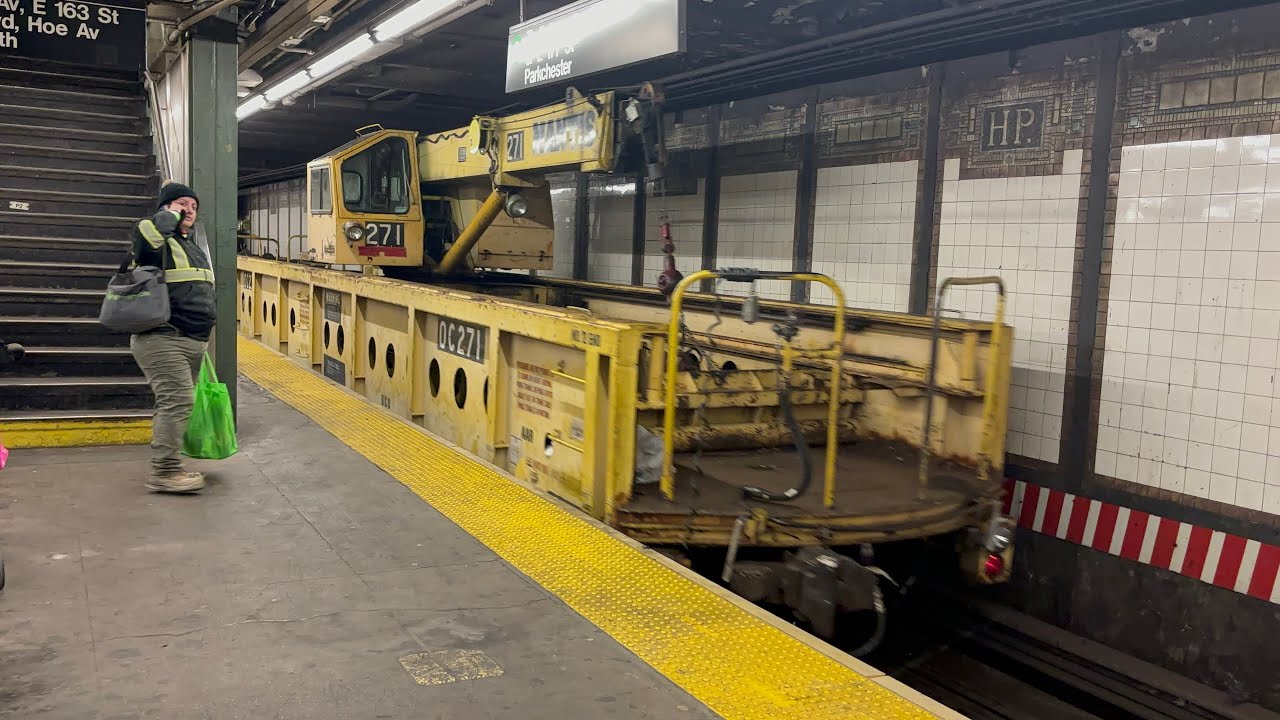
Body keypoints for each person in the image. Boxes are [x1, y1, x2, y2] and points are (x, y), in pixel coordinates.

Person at [129, 182, 217, 493]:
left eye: (193, 207)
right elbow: (146, 247)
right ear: (166, 207)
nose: (189, 211)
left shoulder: (190, 245)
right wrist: (167, 218)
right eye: (182, 204)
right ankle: (165, 471)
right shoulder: (152, 234)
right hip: (162, 337)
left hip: (192, 340)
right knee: (178, 400)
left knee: (174, 402)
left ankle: (169, 460)